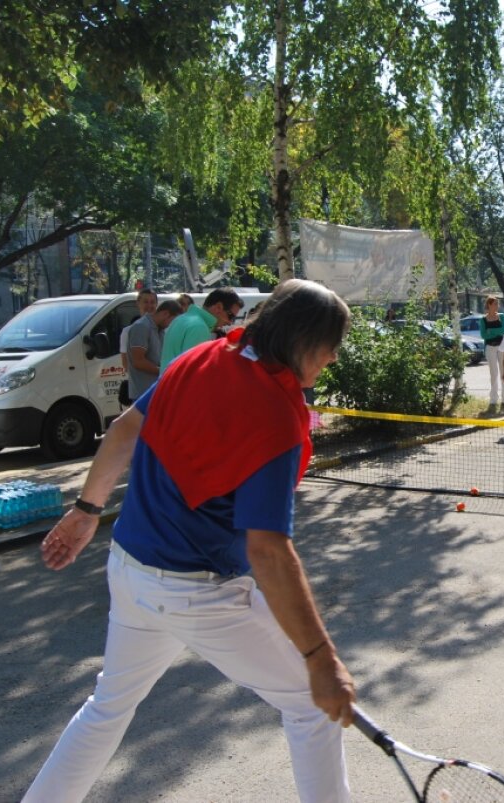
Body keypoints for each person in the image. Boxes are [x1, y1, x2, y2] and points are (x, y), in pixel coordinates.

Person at [25, 280, 357, 803]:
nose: (334, 357)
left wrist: (86, 511)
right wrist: (320, 658)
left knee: (107, 707)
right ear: (303, 340)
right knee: (312, 705)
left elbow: (124, 431)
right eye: (331, 345)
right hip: (195, 591)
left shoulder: (201, 358)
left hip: (129, 568)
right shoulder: (275, 416)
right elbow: (269, 552)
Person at [159, 288, 243, 371]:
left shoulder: (182, 319)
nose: (230, 323)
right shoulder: (199, 327)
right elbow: (192, 371)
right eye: (231, 316)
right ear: (218, 307)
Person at [124, 300, 183, 402]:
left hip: (157, 392)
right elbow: (138, 362)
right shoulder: (141, 327)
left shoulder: (160, 330)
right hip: (143, 394)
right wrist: (164, 371)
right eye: (173, 321)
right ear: (165, 314)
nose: (171, 325)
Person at [478, 296, 504, 413]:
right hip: (490, 348)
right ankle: (493, 399)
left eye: (498, 304)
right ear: (489, 305)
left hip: (501, 347)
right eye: (495, 303)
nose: (497, 306)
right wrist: (496, 332)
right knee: (493, 373)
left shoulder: (501, 316)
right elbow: (483, 335)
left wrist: (491, 331)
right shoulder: (483, 319)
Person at [119, 289, 158, 373]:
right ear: (138, 304)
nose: (149, 305)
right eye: (145, 302)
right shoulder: (127, 331)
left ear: (156, 304)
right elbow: (126, 364)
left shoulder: (163, 330)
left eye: (152, 302)